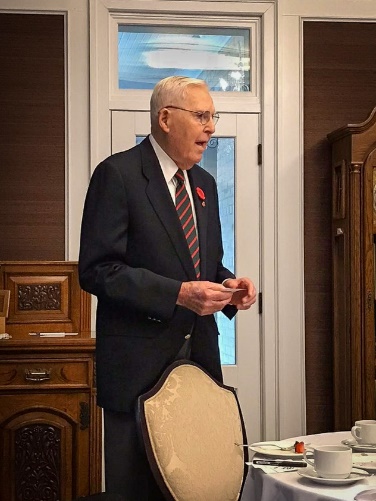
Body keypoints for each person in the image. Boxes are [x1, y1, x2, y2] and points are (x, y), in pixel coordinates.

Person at [78, 75, 257, 500]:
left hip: (199, 367)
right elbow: (97, 270)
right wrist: (177, 293)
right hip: (138, 370)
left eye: (213, 117)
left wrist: (229, 287)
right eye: (200, 116)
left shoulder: (205, 186)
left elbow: (203, 264)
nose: (210, 127)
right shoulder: (117, 175)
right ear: (164, 118)